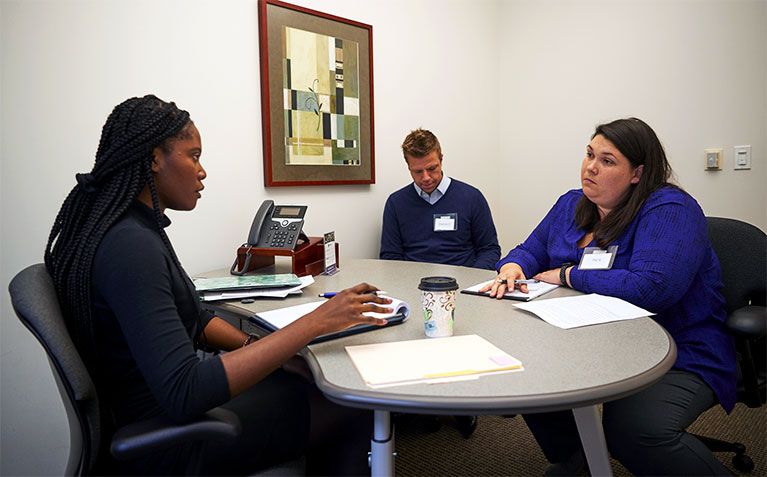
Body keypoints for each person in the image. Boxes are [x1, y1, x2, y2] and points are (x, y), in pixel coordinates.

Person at [44, 95, 392, 475]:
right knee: (352, 404)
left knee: (303, 382)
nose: (202, 171)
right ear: (155, 157)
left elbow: (195, 321)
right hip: (171, 444)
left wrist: (262, 349)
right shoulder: (130, 247)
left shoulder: (131, 228)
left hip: (152, 415)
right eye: (193, 155)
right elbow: (185, 390)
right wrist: (314, 323)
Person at [480, 118, 736, 475]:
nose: (590, 167)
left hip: (676, 348)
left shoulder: (669, 210)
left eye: (607, 160)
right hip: (584, 340)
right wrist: (511, 266)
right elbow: (529, 249)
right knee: (532, 379)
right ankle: (577, 459)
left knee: (635, 431)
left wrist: (570, 274)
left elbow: (651, 288)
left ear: (637, 173)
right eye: (589, 155)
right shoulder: (571, 204)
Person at [380, 128, 501, 270]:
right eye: (418, 171)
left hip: (463, 283)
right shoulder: (396, 203)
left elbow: (489, 250)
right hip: (413, 284)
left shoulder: (472, 198)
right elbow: (390, 257)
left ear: (441, 159)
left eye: (432, 168)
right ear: (409, 167)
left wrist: (473, 279)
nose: (426, 178)